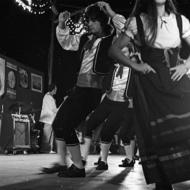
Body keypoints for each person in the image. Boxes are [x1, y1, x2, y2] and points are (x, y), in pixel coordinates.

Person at [109, 0, 190, 189]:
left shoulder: (180, 21)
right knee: (158, 140)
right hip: (151, 88)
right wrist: (136, 65)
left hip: (178, 85)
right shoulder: (138, 22)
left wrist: (185, 65)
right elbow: (113, 50)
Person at [41, 2, 124, 178]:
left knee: (66, 126)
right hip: (79, 89)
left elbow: (125, 28)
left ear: (103, 21)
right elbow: (68, 43)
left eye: (93, 21)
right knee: (58, 124)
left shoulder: (113, 40)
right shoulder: (87, 38)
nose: (89, 24)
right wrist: (62, 24)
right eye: (89, 21)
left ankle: (78, 167)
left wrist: (109, 10)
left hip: (92, 91)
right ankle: (64, 163)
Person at [81, 3, 140, 170]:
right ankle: (84, 159)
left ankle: (105, 161)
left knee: (109, 132)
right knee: (90, 124)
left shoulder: (134, 68)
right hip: (108, 99)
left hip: (122, 104)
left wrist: (111, 12)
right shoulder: (112, 65)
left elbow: (126, 28)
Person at [39, 83, 58, 153]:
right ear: (52, 89)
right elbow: (54, 109)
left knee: (50, 134)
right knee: (47, 135)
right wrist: (61, 107)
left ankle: (49, 149)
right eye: (55, 89)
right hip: (48, 119)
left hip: (50, 119)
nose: (56, 90)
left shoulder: (49, 97)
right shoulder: (48, 97)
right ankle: (45, 149)